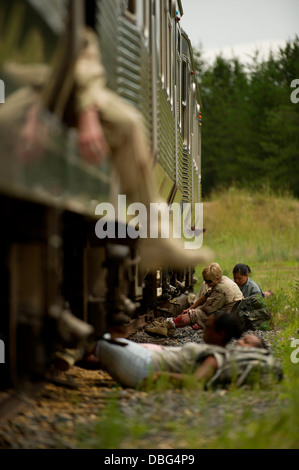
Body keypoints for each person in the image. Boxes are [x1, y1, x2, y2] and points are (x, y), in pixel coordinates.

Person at [0, 0, 212, 272]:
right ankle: (156, 237)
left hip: (40, 82)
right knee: (127, 124)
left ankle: (157, 237)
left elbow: (79, 42)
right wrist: (81, 110)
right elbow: (80, 43)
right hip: (38, 81)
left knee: (127, 123)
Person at [77, 311, 282, 389]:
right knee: (97, 355)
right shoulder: (217, 352)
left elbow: (196, 381)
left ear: (219, 333)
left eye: (208, 327)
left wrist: (161, 376)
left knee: (95, 340)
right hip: (141, 361)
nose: (240, 344)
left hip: (144, 366)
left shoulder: (217, 356)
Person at [146, 263, 243, 336]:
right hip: (225, 311)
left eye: (209, 281)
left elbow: (207, 309)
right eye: (205, 280)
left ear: (217, 278)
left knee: (194, 314)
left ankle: (167, 326)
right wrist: (191, 307)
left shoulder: (221, 289)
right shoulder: (221, 279)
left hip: (226, 318)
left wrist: (191, 311)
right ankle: (166, 318)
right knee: (191, 301)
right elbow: (205, 296)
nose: (206, 283)